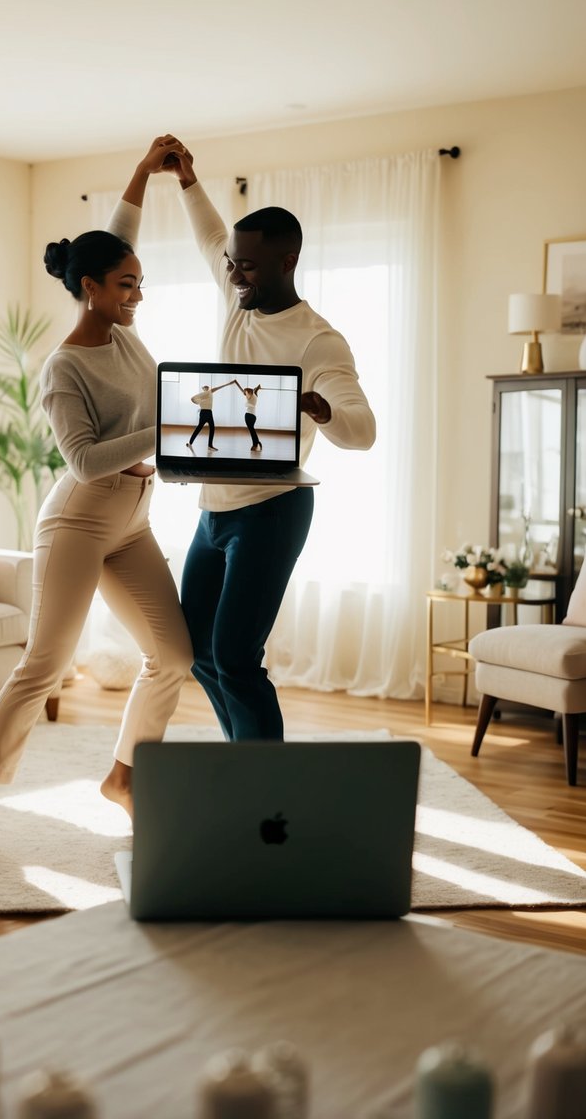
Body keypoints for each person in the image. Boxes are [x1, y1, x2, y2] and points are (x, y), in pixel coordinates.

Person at [0, 137, 193, 854]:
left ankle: (124, 777)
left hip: (135, 521)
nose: (135, 295)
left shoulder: (124, 332)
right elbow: (82, 460)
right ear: (90, 286)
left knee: (172, 656)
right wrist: (162, 431)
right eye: (123, 285)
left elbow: (122, 236)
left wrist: (145, 173)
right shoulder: (62, 368)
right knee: (43, 665)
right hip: (80, 522)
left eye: (139, 284)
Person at [154, 137, 376, 742]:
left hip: (272, 511)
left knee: (234, 657)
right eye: (232, 262)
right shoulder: (237, 294)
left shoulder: (318, 342)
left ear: (286, 261)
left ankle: (269, 788)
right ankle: (243, 763)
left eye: (246, 264)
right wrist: (187, 180)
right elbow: (209, 235)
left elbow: (364, 431)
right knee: (194, 650)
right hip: (214, 509)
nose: (232, 272)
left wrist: (319, 407)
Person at [187, 379, 235, 451]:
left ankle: (210, 445)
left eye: (207, 387)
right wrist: (199, 402)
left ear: (208, 388)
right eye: (204, 387)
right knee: (199, 428)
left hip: (209, 413)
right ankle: (190, 443)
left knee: (212, 428)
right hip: (204, 413)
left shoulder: (210, 393)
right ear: (203, 389)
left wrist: (228, 384)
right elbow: (192, 398)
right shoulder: (202, 394)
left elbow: (218, 388)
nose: (206, 388)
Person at [233, 379, 263, 450]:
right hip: (253, 416)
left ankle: (256, 444)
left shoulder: (250, 395)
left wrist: (246, 391)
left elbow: (248, 395)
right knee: (252, 430)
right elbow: (255, 390)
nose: (245, 394)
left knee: (252, 431)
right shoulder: (255, 396)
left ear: (248, 392)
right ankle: (257, 443)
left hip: (249, 415)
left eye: (246, 392)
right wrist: (257, 388)